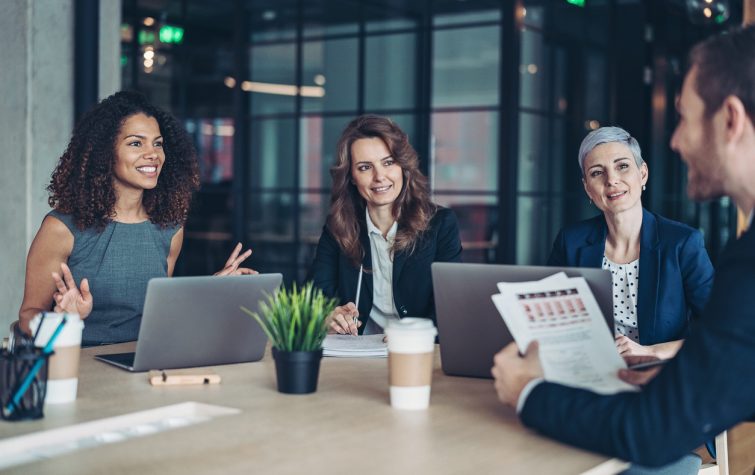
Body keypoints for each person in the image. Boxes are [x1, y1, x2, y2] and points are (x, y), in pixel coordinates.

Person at [492, 25, 755, 470]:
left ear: (729, 120)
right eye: (598, 172)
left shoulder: (732, 260)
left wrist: (530, 391)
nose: (675, 140)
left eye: (684, 118)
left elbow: (654, 432)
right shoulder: (745, 256)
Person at [18, 91, 255, 346]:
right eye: (135, 143)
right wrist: (62, 321)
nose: (153, 154)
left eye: (158, 143)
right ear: (105, 153)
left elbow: (160, 316)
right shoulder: (62, 229)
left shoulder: (169, 228)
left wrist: (209, 292)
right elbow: (27, 316)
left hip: (145, 363)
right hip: (80, 368)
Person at [548, 126, 714, 360]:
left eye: (622, 166)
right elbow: (549, 323)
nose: (612, 180)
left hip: (659, 376)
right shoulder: (570, 242)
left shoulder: (683, 243)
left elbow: (720, 330)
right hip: (590, 369)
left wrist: (650, 352)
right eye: (597, 173)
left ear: (642, 173)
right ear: (587, 187)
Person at [310, 115, 462, 335]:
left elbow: (449, 307)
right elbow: (315, 299)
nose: (379, 177)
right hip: (357, 358)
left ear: (402, 166)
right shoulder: (339, 227)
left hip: (417, 353)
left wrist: (410, 336)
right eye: (365, 167)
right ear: (351, 176)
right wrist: (329, 316)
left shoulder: (440, 224)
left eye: (388, 162)